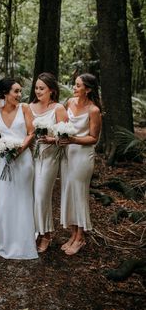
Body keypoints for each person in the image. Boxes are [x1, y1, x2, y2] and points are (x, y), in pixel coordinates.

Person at [0, 78, 38, 259]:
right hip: (4, 161)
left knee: (23, 198)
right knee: (5, 199)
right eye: (16, 91)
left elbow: (31, 133)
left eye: (20, 91)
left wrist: (19, 150)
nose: (20, 95)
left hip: (23, 159)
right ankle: (5, 237)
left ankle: (24, 239)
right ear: (5, 93)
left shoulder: (25, 108)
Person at [60, 73, 102, 255]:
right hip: (67, 154)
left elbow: (93, 138)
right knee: (69, 192)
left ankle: (81, 237)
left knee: (79, 194)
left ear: (89, 89)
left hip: (83, 156)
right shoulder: (69, 102)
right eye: (74, 84)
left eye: (78, 85)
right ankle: (73, 232)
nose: (74, 88)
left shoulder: (94, 110)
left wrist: (73, 139)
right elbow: (63, 124)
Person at [29, 72, 67, 253]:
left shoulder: (58, 108)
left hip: (50, 158)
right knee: (32, 196)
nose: (38, 91)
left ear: (51, 90)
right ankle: (35, 231)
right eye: (36, 88)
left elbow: (66, 137)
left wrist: (52, 139)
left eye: (41, 88)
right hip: (30, 158)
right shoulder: (29, 107)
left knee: (42, 195)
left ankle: (46, 235)